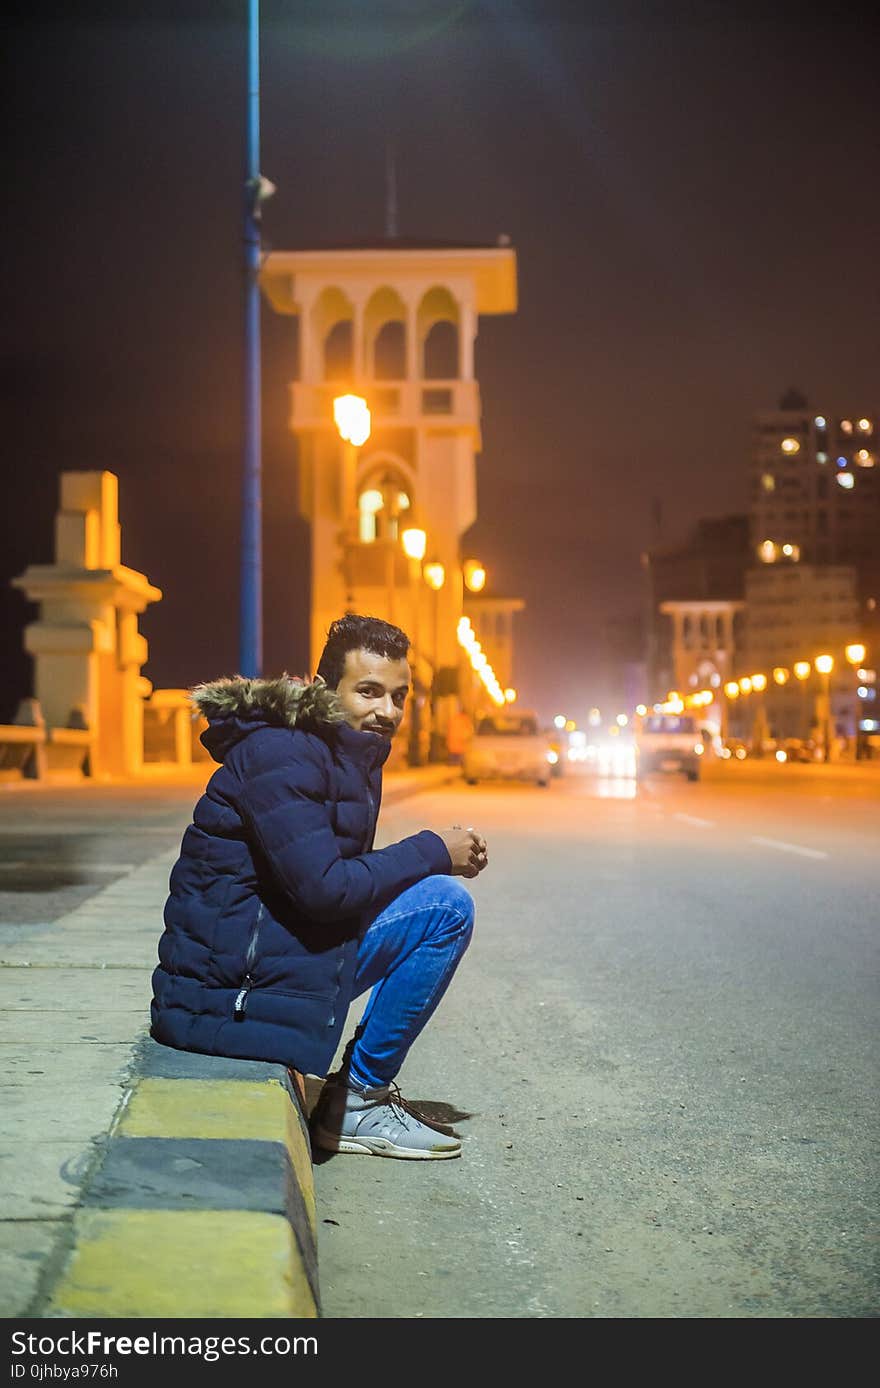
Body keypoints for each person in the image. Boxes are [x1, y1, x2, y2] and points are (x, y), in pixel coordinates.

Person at [150, 614, 488, 1161]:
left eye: (399, 696)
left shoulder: (343, 752)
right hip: (224, 1001)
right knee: (444, 907)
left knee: (436, 901)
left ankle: (352, 1098)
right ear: (325, 689)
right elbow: (325, 891)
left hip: (258, 968)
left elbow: (328, 882)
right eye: (369, 692)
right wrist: (430, 851)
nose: (388, 712)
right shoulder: (282, 753)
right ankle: (356, 1102)